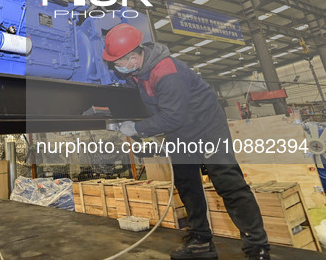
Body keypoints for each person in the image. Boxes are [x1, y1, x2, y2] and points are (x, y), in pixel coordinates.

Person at [102, 24, 270, 260]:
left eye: (117, 63)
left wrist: (137, 128)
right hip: (180, 132)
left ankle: (257, 247)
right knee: (187, 184)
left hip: (206, 128)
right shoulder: (137, 73)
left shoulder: (167, 72)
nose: (115, 67)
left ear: (133, 57)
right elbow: (144, 98)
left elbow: (171, 116)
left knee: (228, 182)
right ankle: (200, 241)